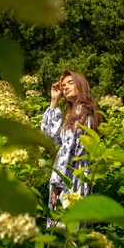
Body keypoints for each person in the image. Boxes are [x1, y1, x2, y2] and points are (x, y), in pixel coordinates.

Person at [41, 70, 101, 228]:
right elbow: (50, 137)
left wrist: (57, 182)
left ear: (81, 86)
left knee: (65, 229)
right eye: (63, 85)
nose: (65, 87)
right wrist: (54, 101)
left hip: (71, 176)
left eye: (70, 83)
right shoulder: (73, 114)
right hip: (70, 175)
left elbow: (69, 149)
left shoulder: (82, 111)